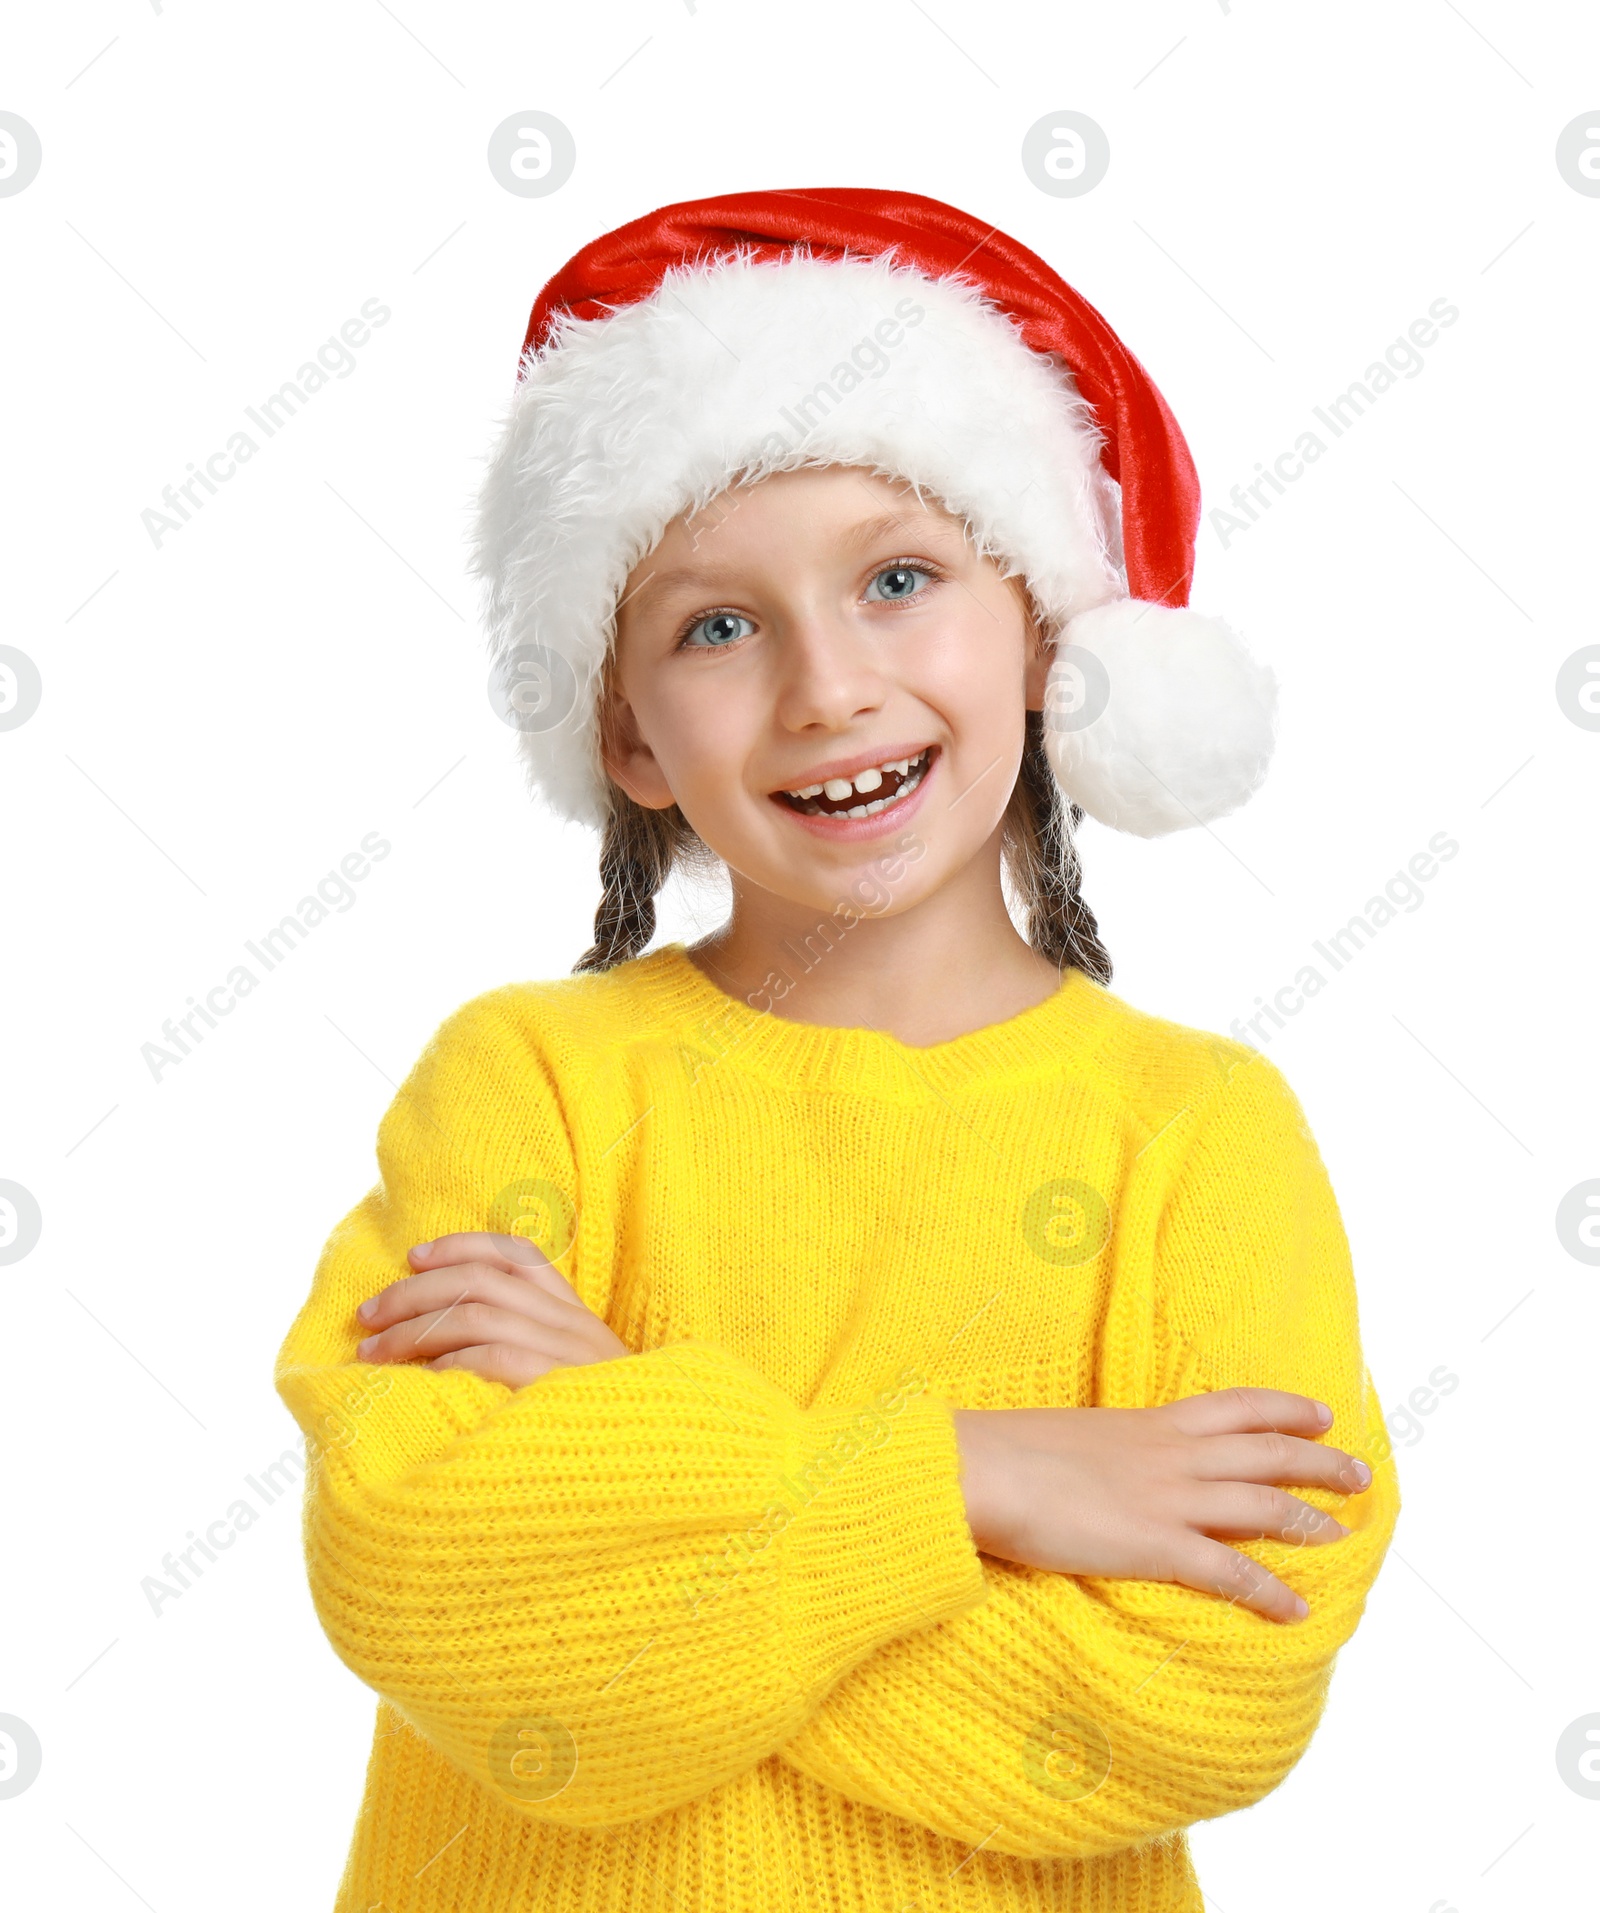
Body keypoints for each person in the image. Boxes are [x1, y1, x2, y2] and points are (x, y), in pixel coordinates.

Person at [275, 188, 1398, 1913]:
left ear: (1043, 632)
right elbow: (429, 1581)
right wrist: (977, 1477)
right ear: (632, 737)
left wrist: (628, 1450)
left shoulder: (1198, 1131)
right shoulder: (528, 1083)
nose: (826, 688)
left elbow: (1203, 1695)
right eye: (716, 625)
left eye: (898, 576)